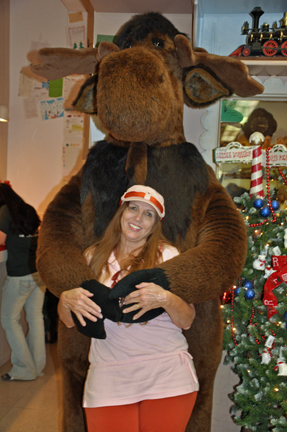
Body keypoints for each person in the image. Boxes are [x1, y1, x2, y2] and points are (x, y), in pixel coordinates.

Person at [58, 185, 198, 432]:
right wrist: (65, 300)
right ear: (121, 212)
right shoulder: (93, 256)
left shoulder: (167, 255)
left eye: (148, 214)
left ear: (156, 224)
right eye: (133, 208)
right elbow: (68, 321)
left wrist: (165, 299)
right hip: (108, 375)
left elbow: (186, 320)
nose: (138, 218)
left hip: (165, 372)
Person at [0, 183, 46, 381]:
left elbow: (0, 239)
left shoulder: (4, 212)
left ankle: (24, 369)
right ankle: (37, 366)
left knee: (9, 320)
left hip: (19, 275)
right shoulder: (27, 209)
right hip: (37, 274)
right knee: (35, 318)